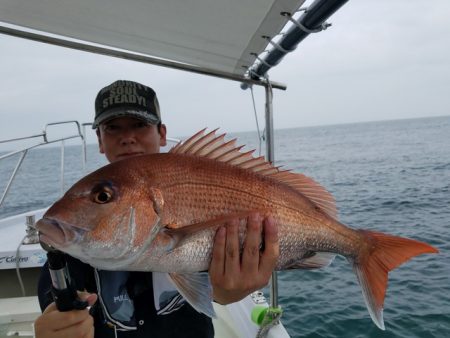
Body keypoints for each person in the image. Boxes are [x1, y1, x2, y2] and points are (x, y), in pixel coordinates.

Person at [34, 80, 279, 338]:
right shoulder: (77, 242)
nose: (127, 138)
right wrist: (57, 324)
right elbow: (55, 298)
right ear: (100, 140)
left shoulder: (194, 175)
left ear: (162, 133)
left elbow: (215, 285)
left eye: (140, 124)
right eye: (112, 128)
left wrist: (224, 294)